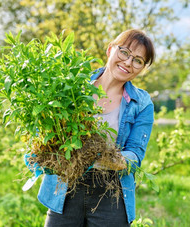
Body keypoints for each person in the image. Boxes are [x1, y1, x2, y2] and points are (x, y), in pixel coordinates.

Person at [24, 29, 155, 226]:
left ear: (142, 68)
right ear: (110, 50)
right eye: (125, 52)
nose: (128, 62)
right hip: (65, 187)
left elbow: (136, 154)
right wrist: (41, 149)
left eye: (138, 60)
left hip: (110, 193)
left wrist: (111, 158)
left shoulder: (142, 103)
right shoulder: (73, 86)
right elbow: (46, 124)